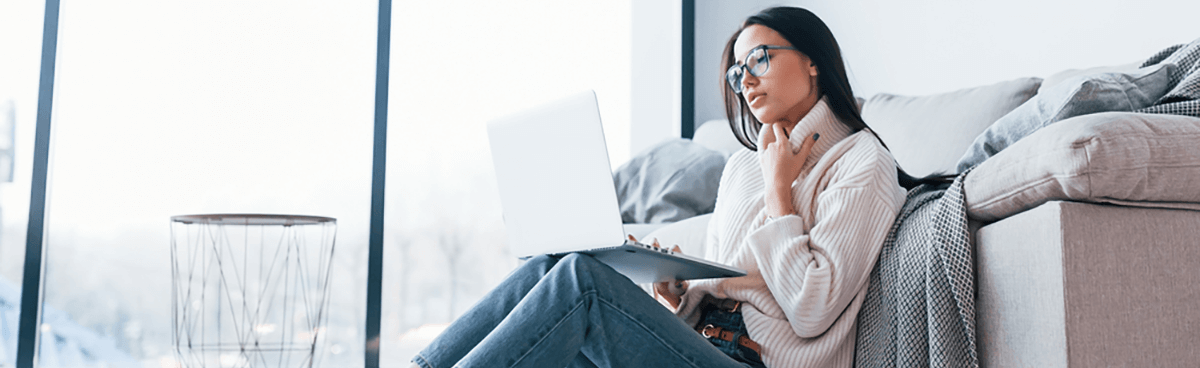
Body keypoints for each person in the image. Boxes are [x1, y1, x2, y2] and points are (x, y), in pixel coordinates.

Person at [411, 6, 943, 368]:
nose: (746, 79)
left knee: (581, 281)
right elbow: (727, 296)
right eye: (738, 73)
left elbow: (811, 309)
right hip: (706, 349)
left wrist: (781, 194)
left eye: (760, 58)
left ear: (812, 62)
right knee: (551, 265)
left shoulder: (861, 164)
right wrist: (679, 294)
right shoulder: (740, 170)